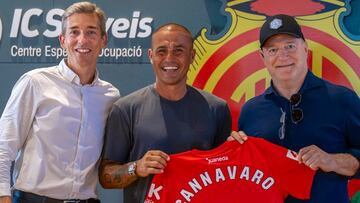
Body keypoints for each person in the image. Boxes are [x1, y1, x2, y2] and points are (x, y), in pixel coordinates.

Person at [0, 2, 120, 203]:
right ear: (63, 40)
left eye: (91, 32)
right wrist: (3, 196)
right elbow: (4, 146)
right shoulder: (35, 82)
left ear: (103, 40)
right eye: (74, 32)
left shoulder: (111, 96)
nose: (82, 40)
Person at [98, 23, 232, 203]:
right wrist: (137, 168)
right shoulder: (125, 109)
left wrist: (239, 146)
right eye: (161, 51)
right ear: (151, 56)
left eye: (178, 51)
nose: (170, 58)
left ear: (191, 56)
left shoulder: (217, 109)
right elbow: (105, 177)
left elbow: (226, 174)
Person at [235, 14, 360, 203]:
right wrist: (233, 152)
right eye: (273, 50)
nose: (283, 55)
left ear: (305, 48)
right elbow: (243, 175)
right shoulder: (250, 111)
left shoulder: (342, 99)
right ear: (262, 57)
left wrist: (332, 160)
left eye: (290, 46)